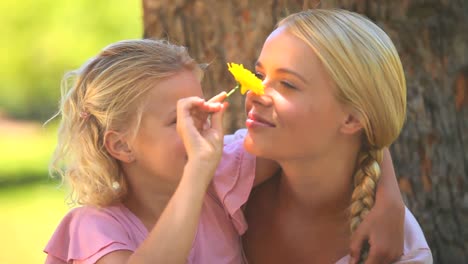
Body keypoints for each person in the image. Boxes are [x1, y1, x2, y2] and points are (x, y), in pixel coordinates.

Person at [43, 38, 403, 264]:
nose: (199, 128)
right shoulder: (94, 229)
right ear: (121, 145)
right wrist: (198, 172)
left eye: (198, 111)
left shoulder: (221, 171)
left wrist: (389, 197)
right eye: (178, 120)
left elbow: (326, 133)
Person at [241, 9, 432, 264]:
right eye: (260, 76)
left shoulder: (403, 256)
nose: (255, 92)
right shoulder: (222, 175)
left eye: (287, 84)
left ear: (352, 119)